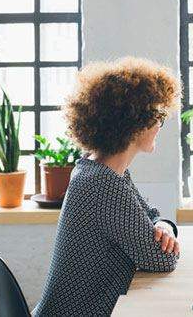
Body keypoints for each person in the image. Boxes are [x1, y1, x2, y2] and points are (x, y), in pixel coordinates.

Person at [34, 57, 181, 316]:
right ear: (132, 124)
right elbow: (162, 259)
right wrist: (162, 235)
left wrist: (163, 226)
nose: (160, 124)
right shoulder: (103, 184)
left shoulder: (96, 169)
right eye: (157, 116)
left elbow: (151, 216)